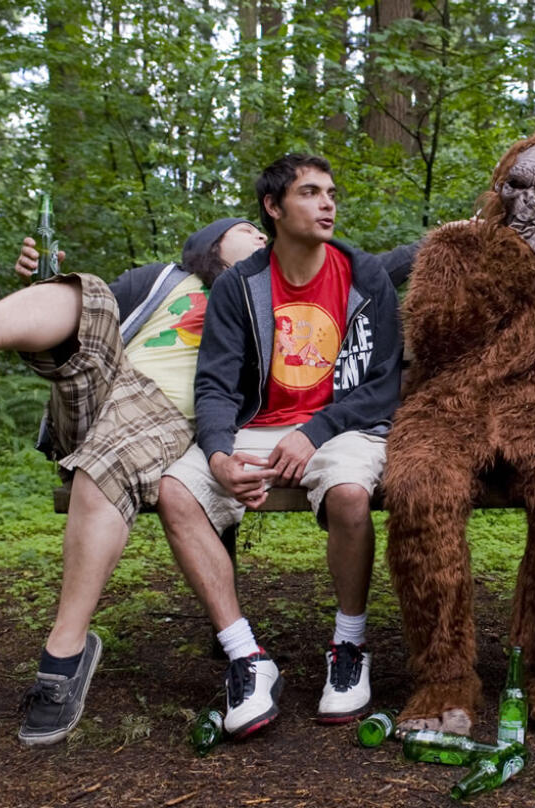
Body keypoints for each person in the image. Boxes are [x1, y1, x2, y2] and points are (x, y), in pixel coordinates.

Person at [0, 216, 268, 745]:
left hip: (171, 417)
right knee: (90, 292)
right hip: (99, 391)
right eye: (248, 229)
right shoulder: (165, 279)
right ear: (210, 245)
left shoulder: (265, 303)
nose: (260, 236)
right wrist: (42, 283)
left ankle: (64, 653)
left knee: (104, 464)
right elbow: (76, 328)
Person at [158, 154, 414, 737]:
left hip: (340, 426)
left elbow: (382, 387)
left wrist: (313, 432)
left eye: (330, 193)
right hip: (256, 427)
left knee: (350, 494)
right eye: (309, 193)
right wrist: (220, 453)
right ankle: (246, 656)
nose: (327, 203)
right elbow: (216, 385)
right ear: (273, 208)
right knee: (176, 491)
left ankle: (348, 647)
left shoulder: (362, 275)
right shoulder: (239, 286)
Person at [383, 134, 535, 745]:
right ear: (497, 187)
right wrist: (511, 260)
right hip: (449, 406)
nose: (529, 201)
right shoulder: (451, 247)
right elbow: (435, 338)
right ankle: (444, 677)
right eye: (517, 186)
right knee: (418, 487)